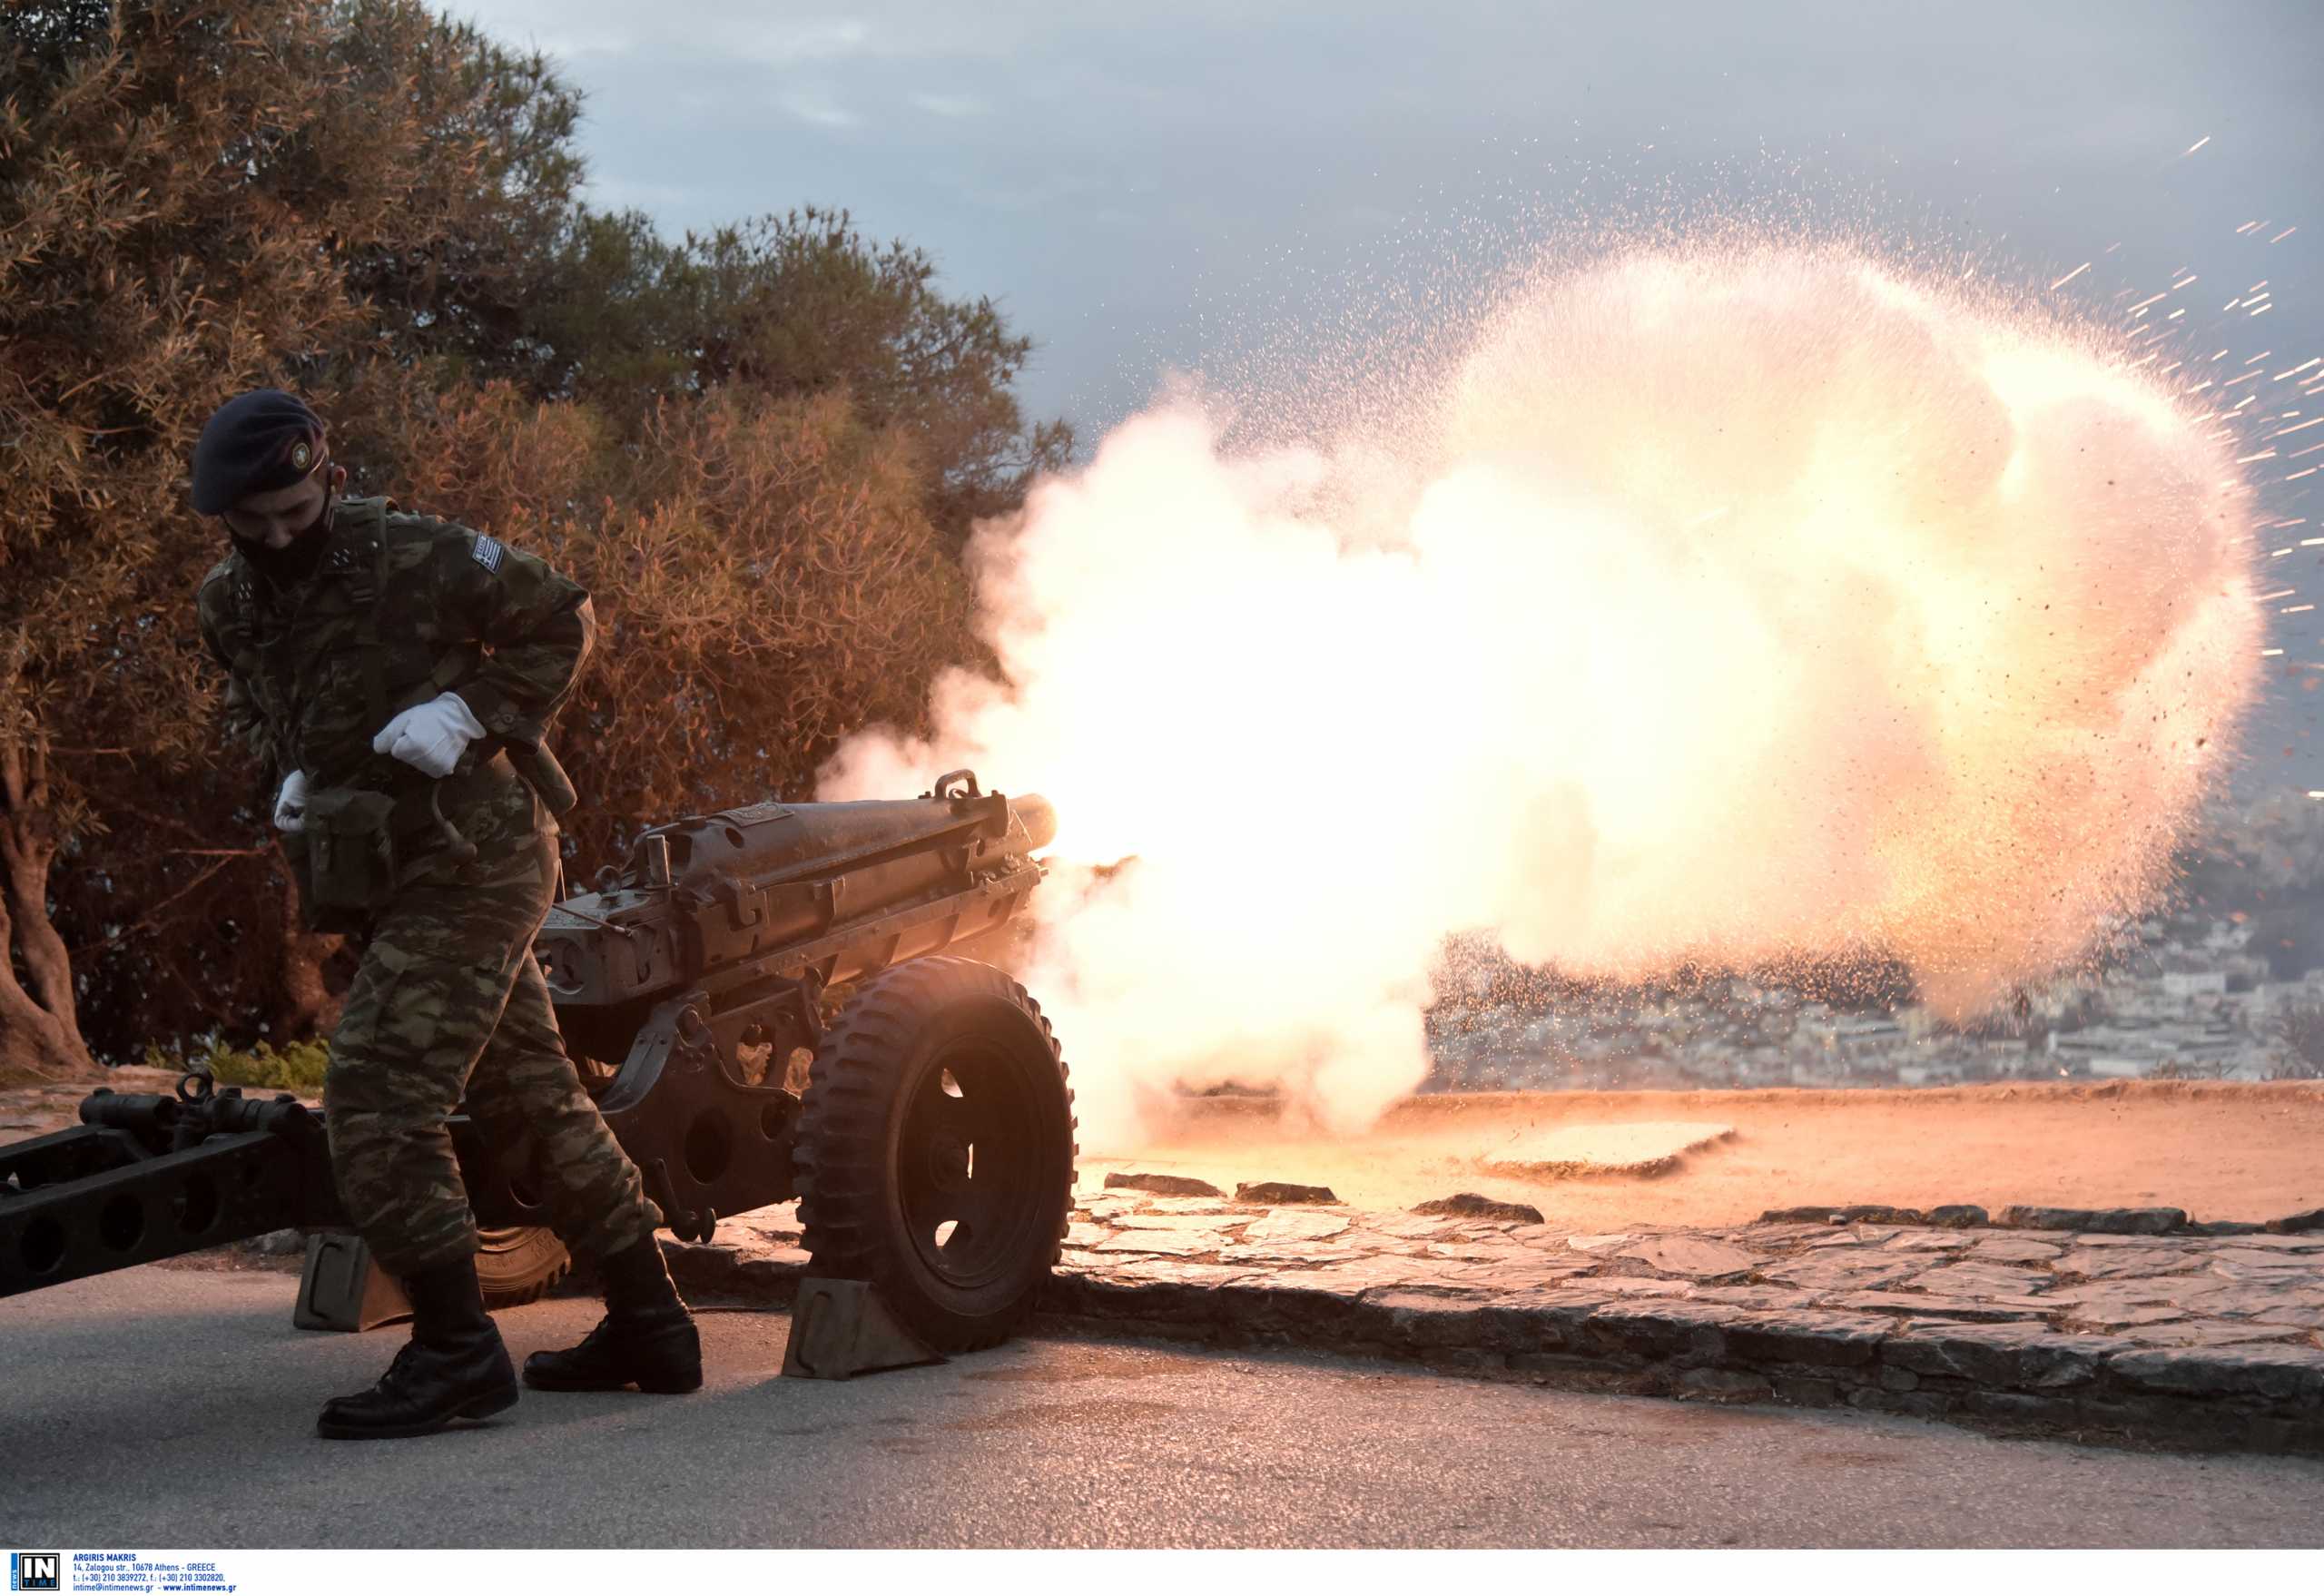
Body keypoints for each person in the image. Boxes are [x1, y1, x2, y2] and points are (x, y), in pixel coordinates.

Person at [191, 389, 700, 1439]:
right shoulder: (226, 606)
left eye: (298, 508)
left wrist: (469, 712)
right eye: (257, 523)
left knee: (378, 1093)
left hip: (482, 856)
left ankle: (457, 1351)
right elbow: (253, 695)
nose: (283, 537)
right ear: (225, 517)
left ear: (328, 475)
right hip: (381, 867)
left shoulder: (416, 555)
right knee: (529, 1095)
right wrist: (285, 766)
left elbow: (562, 617)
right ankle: (653, 1324)